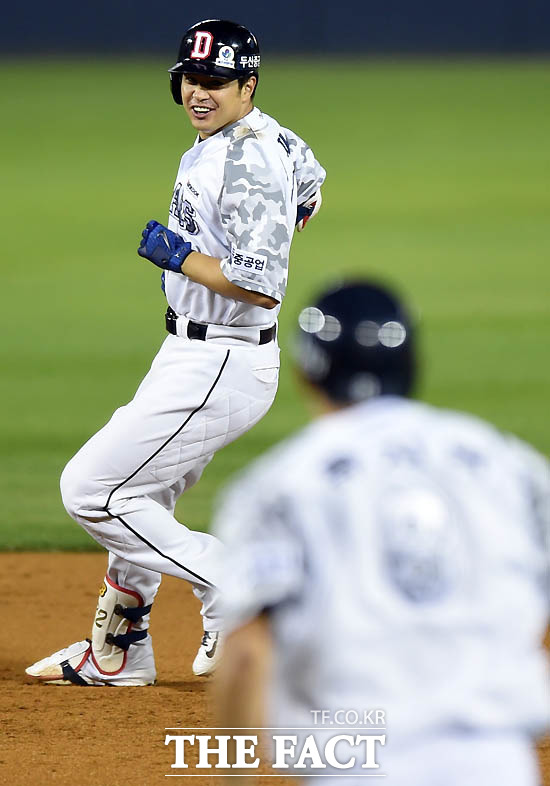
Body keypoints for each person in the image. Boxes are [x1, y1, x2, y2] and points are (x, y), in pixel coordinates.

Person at [25, 19, 326, 687]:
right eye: (192, 79)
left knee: (93, 491)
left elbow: (259, 284)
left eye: (217, 82)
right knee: (144, 491)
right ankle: (119, 651)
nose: (200, 91)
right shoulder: (261, 136)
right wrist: (278, 219)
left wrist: (182, 257)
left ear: (247, 86)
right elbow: (311, 183)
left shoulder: (244, 158)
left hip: (222, 358)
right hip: (196, 352)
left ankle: (230, 585)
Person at [214, 281, 550, 784]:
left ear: (308, 372)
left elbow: (244, 657)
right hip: (497, 765)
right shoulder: (509, 465)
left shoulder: (279, 486)